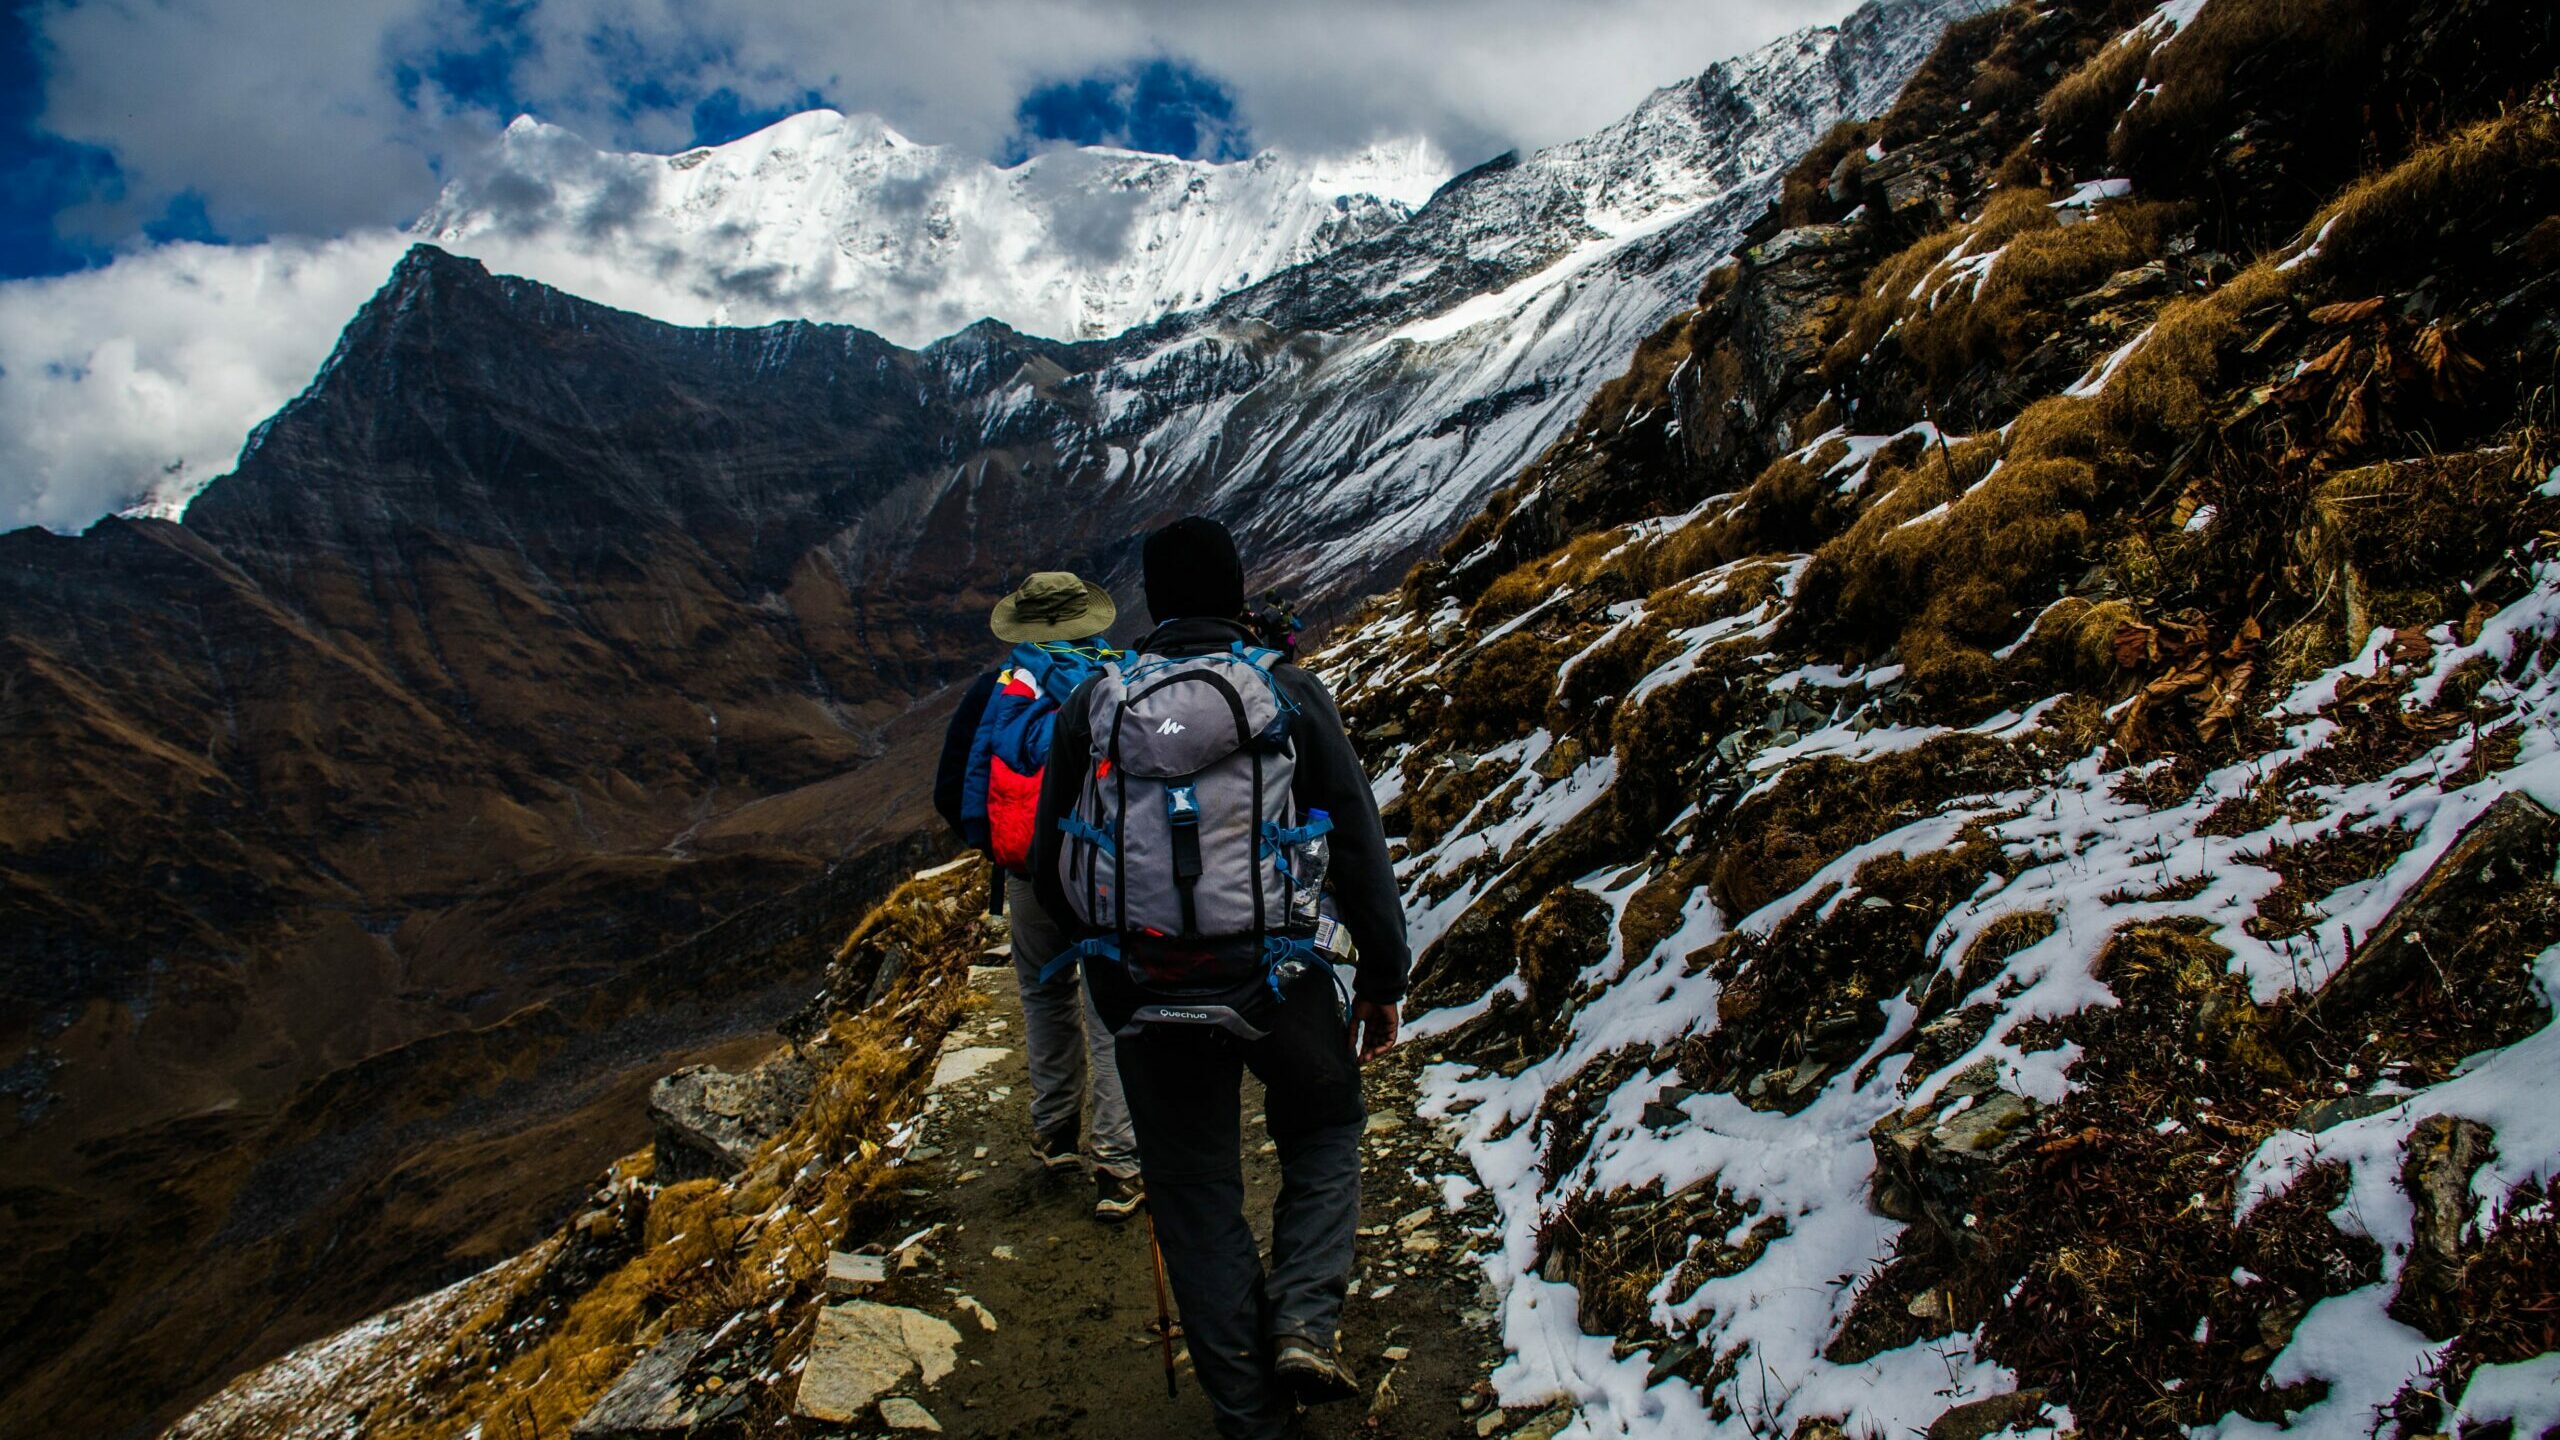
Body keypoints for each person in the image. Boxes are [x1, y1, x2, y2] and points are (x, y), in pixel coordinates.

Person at [1033, 517, 1408, 1440]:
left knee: (1196, 1193)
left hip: (1147, 985)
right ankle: (1304, 1323)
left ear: (1153, 604)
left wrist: (1113, 980)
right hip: (1276, 979)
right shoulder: (1286, 694)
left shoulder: (1095, 706)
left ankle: (1251, 1416)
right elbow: (1358, 843)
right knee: (1326, 1125)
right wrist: (1383, 976)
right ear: (1239, 594)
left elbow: (1051, 869)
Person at [934, 570, 1145, 1223]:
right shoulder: (1124, 680)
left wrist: (1000, 845)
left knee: (1043, 994)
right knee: (1109, 1006)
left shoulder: (997, 690)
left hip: (1028, 873)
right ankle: (1118, 1164)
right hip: (1105, 873)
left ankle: (1055, 1133)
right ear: (1090, 620)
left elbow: (951, 787)